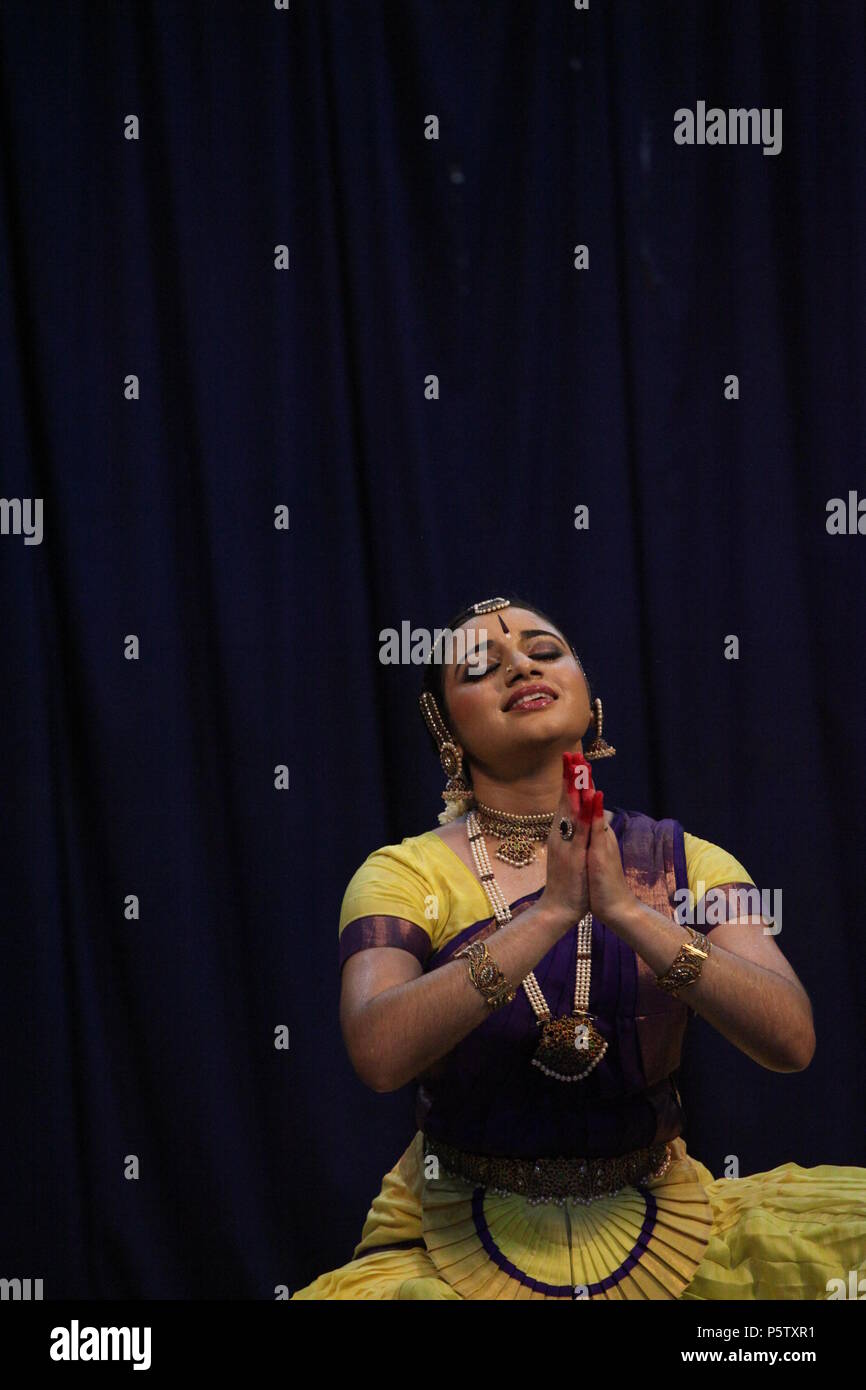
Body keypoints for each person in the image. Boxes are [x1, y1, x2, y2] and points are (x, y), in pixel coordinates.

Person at [292, 594, 866, 1300]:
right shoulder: (405, 874)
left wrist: (629, 912)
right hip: (453, 1236)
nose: (519, 666)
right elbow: (378, 1053)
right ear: (446, 729)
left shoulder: (683, 860)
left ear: (587, 693)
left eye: (544, 650)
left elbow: (791, 1039)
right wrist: (550, 915)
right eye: (481, 666)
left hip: (666, 1218)